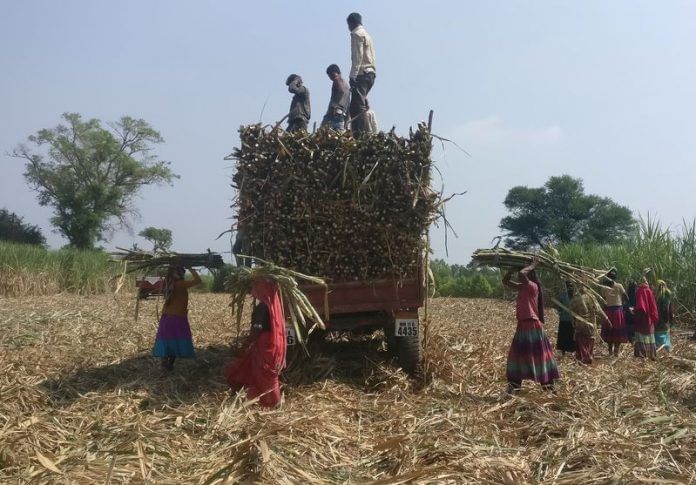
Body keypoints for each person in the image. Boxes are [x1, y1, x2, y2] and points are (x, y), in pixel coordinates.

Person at [225, 280, 287, 407]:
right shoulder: (275, 306)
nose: (253, 290)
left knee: (265, 377)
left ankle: (274, 403)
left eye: (256, 287)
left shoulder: (262, 308)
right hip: (274, 347)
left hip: (264, 348)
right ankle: (260, 400)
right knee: (263, 374)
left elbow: (256, 331)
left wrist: (244, 346)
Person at [502, 258, 560, 393]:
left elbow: (522, 274)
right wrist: (511, 270)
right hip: (522, 326)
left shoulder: (533, 286)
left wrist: (533, 265)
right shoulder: (523, 286)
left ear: (531, 275)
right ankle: (514, 386)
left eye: (528, 272)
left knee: (539, 356)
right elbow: (505, 281)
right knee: (517, 356)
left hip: (532, 325)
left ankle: (548, 387)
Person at [152, 265, 202, 370]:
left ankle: (166, 363)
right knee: (176, 340)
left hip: (167, 317)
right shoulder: (180, 284)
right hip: (177, 317)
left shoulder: (169, 283)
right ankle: (169, 363)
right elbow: (198, 280)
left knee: (167, 339)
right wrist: (191, 268)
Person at [346, 12, 376, 134]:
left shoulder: (356, 34)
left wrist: (353, 75)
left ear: (351, 23)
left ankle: (362, 134)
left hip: (362, 73)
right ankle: (359, 132)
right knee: (356, 105)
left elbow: (357, 56)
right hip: (371, 73)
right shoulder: (367, 35)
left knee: (357, 107)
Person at [599, 268, 629, 356]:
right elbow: (626, 297)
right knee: (618, 332)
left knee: (609, 331)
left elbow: (603, 300)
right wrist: (623, 305)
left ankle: (610, 351)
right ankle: (616, 351)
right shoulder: (619, 286)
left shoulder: (604, 287)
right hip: (617, 311)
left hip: (608, 311)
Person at [570, 287, 602, 365]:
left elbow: (571, 312)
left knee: (581, 339)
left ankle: (585, 357)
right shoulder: (592, 297)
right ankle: (589, 355)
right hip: (591, 323)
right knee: (590, 339)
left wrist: (573, 323)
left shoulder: (575, 299)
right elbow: (597, 309)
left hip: (580, 323)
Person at [633, 273, 659, 360]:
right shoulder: (649, 291)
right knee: (650, 336)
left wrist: (635, 314)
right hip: (649, 318)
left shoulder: (640, 291)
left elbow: (641, 306)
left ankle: (642, 354)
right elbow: (653, 306)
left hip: (642, 318)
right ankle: (652, 354)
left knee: (641, 335)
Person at [321, 64, 350, 132]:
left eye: (330, 75)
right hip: (343, 113)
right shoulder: (346, 84)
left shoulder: (336, 80)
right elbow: (348, 101)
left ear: (334, 72)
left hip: (334, 112)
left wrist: (334, 106)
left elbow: (341, 91)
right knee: (339, 134)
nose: (330, 77)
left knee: (322, 132)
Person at [555, 281, 576, 355]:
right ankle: (563, 351)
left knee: (572, 335)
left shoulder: (575, 296)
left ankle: (572, 351)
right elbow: (558, 307)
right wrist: (561, 311)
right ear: (566, 287)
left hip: (572, 320)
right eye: (568, 286)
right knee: (563, 335)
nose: (570, 288)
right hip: (564, 319)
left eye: (571, 286)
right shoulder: (562, 296)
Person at [654, 280, 674, 352]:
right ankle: (667, 351)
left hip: (658, 321)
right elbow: (669, 310)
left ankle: (659, 350)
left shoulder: (656, 296)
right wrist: (671, 320)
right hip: (665, 321)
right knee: (666, 336)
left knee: (658, 336)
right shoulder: (667, 295)